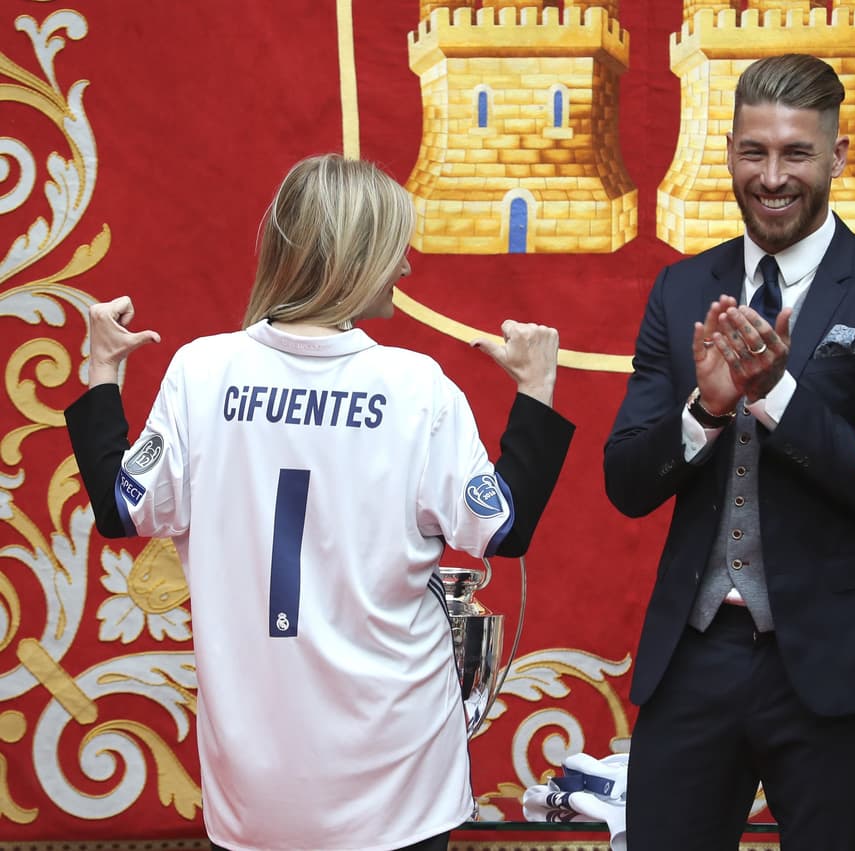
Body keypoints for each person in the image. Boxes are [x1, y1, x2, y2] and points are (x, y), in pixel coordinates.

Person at [63, 154, 575, 851]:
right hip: (401, 784)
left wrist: (102, 369)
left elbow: (121, 508)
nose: (406, 268)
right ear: (355, 258)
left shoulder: (201, 371)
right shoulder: (415, 386)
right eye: (395, 249)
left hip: (256, 790)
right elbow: (502, 531)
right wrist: (537, 389)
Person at [603, 54, 855, 850]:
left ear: (838, 156)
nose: (772, 176)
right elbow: (626, 481)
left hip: (835, 664)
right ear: (728, 151)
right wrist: (706, 409)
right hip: (694, 656)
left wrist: (775, 393)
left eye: (796, 153)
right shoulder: (680, 290)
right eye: (754, 152)